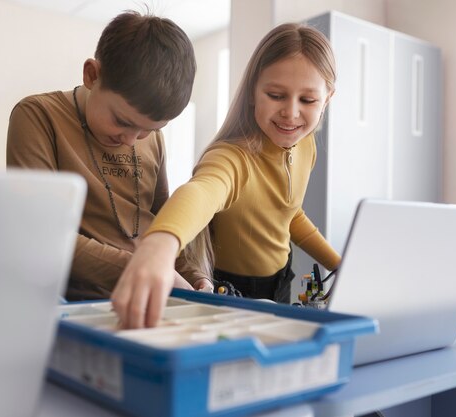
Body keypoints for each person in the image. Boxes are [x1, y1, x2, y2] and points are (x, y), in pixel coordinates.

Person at [111, 22, 342, 328]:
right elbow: (202, 192)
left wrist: (340, 265)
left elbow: (287, 212)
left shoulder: (305, 146)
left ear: (327, 99)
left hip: (280, 279)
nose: (291, 112)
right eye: (276, 95)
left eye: (308, 100)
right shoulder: (233, 157)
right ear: (252, 93)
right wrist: (159, 245)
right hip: (230, 288)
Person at [7, 11, 213, 300]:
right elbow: (40, 234)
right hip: (68, 302)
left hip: (145, 297)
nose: (131, 139)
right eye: (123, 121)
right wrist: (146, 267)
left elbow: (161, 221)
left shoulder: (153, 139)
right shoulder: (38, 116)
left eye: (148, 129)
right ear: (92, 75)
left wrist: (195, 276)